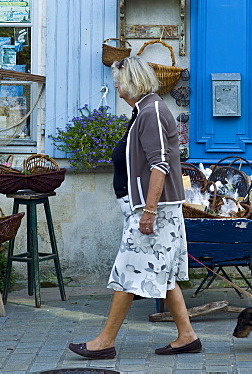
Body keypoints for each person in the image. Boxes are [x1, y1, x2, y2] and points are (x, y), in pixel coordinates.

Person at [68, 56, 200, 359]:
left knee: (128, 272)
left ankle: (104, 341)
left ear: (133, 81)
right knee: (162, 275)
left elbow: (160, 165)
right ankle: (187, 336)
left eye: (119, 78)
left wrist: (149, 211)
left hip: (154, 211)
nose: (115, 84)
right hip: (151, 209)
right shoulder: (145, 110)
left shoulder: (151, 111)